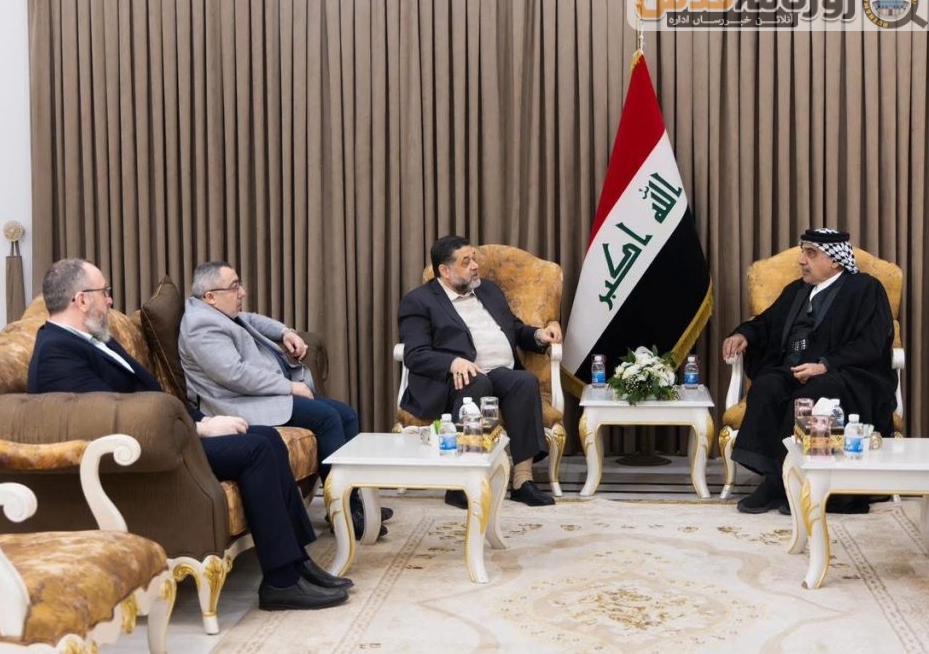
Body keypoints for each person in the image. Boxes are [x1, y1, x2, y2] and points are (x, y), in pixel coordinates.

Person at [28, 258, 351, 611]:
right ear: (81, 300)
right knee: (256, 451)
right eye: (104, 292)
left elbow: (149, 397)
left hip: (166, 432)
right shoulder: (56, 353)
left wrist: (202, 419)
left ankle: (297, 563)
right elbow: (108, 418)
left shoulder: (94, 338)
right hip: (146, 450)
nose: (110, 300)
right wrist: (201, 428)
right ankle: (281, 582)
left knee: (268, 441)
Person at [177, 261, 390, 536]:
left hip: (256, 396)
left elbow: (251, 319)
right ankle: (345, 513)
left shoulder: (216, 311)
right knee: (327, 419)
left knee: (346, 415)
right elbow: (235, 375)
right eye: (234, 287)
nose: (242, 292)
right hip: (238, 403)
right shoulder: (200, 327)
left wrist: (285, 332)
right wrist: (288, 387)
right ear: (210, 296)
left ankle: (353, 503)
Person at [722, 228, 897, 514]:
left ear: (836, 261)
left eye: (810, 254)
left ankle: (794, 484)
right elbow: (766, 323)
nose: (801, 260)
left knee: (816, 394)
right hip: (794, 369)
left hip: (845, 374)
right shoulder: (797, 290)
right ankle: (775, 477)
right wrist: (744, 334)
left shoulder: (865, 289)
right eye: (803, 252)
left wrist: (826, 364)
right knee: (768, 385)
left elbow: (872, 342)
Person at [398, 235, 562, 508]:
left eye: (474, 258)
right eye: (466, 262)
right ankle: (460, 483)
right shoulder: (419, 301)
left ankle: (522, 481)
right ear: (445, 270)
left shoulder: (488, 291)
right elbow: (415, 354)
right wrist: (453, 363)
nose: (475, 266)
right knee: (476, 382)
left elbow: (515, 328)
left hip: (498, 372)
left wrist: (539, 335)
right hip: (452, 380)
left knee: (523, 381)